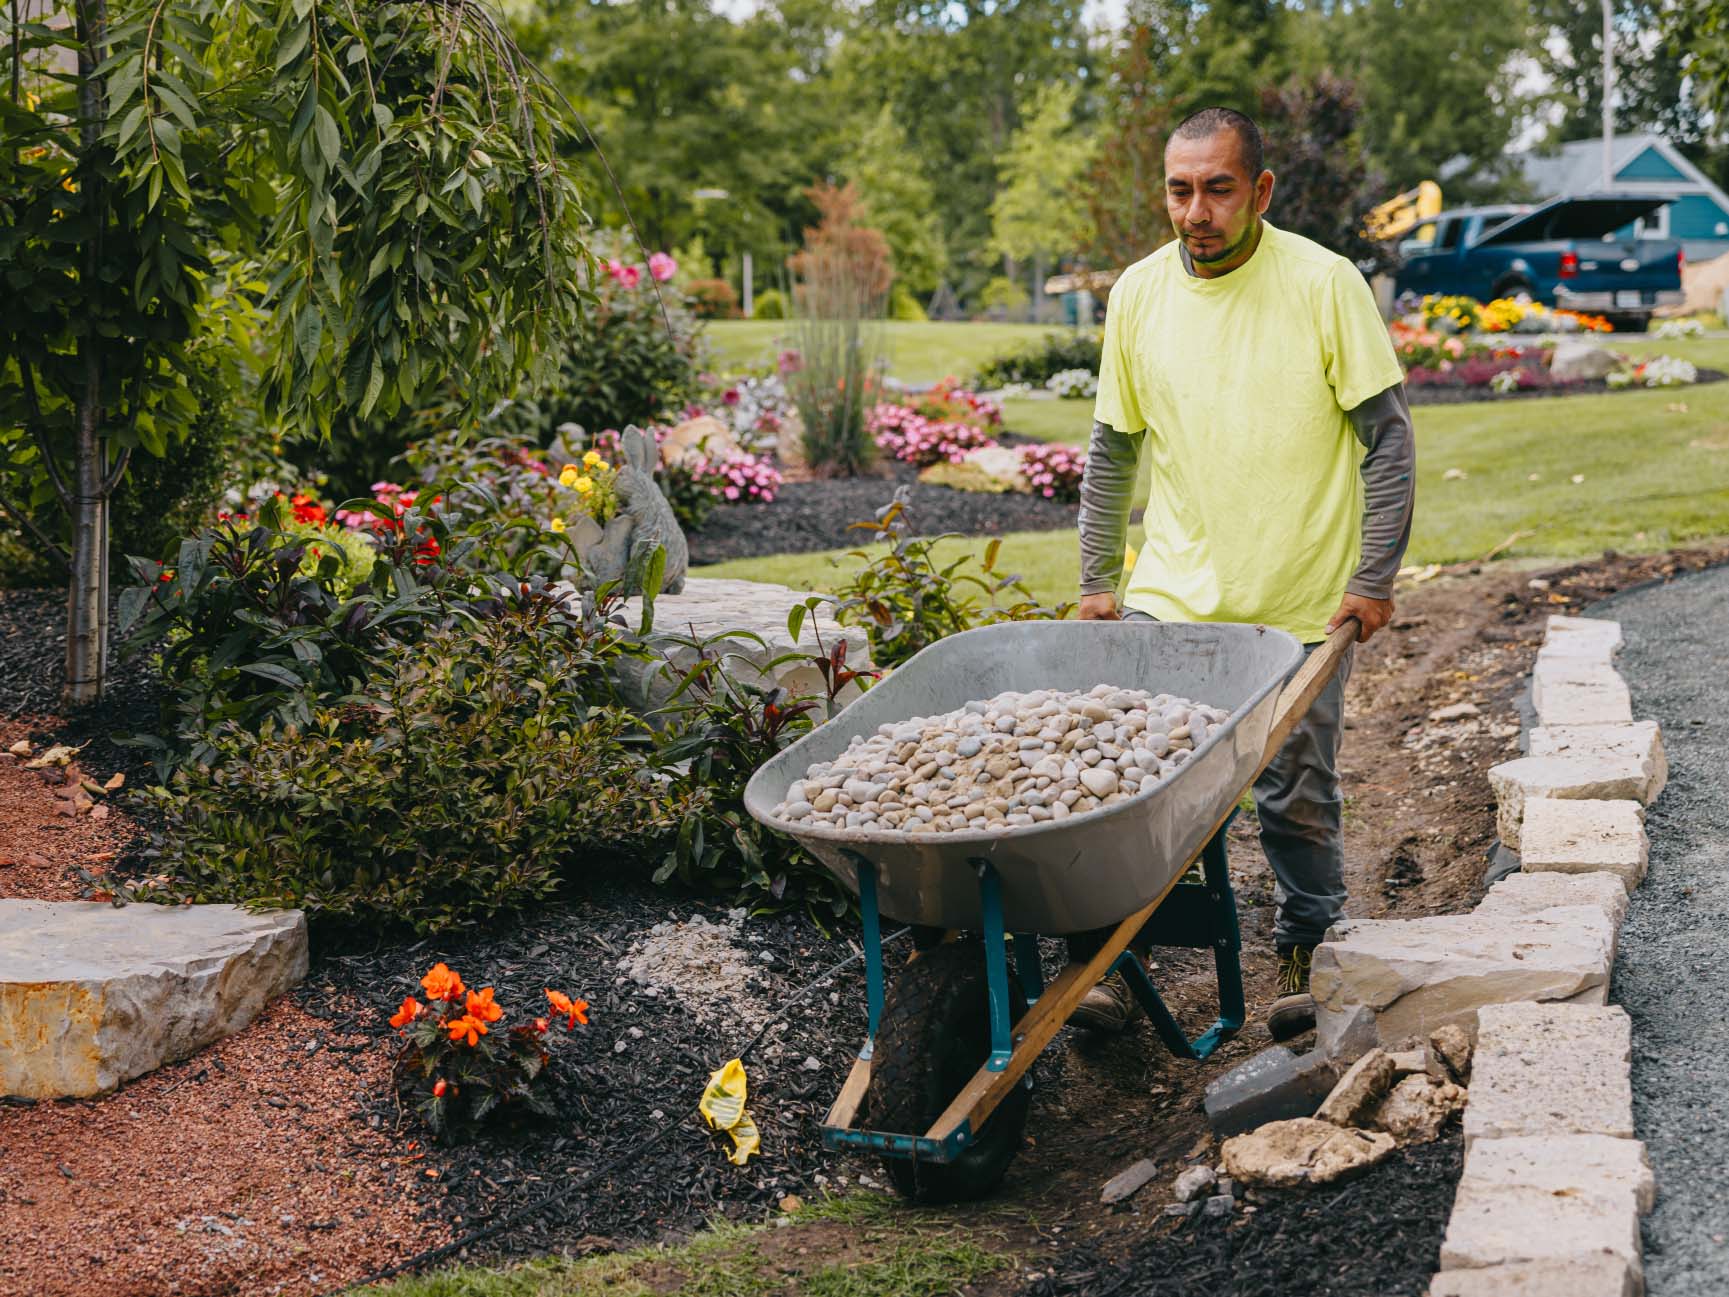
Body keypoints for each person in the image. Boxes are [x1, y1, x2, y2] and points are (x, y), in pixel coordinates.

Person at [1070, 106, 1416, 1042]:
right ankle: (1106, 958)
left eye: (1217, 188)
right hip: (1173, 598)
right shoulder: (1138, 294)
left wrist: (1372, 575)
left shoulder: (1322, 282)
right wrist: (1098, 575)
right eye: (1180, 189)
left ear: (1258, 191)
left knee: (1294, 793)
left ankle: (1309, 943)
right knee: (1131, 786)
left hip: (1301, 603)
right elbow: (1113, 446)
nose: (1196, 210)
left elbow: (1385, 441)